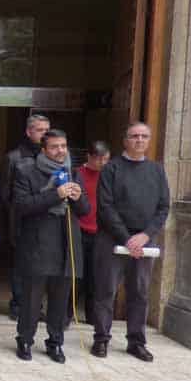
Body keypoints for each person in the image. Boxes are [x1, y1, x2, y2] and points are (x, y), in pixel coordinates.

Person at [91, 122, 170, 362]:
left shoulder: (157, 171)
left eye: (144, 136)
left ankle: (136, 342)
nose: (139, 140)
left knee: (140, 293)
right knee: (106, 291)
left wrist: (145, 235)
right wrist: (126, 238)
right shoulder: (111, 169)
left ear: (149, 140)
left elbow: (163, 207)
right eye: (134, 136)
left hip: (144, 240)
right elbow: (105, 207)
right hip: (112, 238)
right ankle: (101, 339)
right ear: (125, 141)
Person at [12, 129, 89, 363]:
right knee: (32, 298)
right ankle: (25, 339)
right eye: (54, 147)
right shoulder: (27, 171)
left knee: (60, 298)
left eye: (63, 146)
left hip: (66, 243)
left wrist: (77, 198)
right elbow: (22, 205)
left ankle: (55, 342)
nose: (60, 151)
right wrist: (55, 195)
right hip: (38, 243)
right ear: (44, 150)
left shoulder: (73, 172)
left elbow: (85, 210)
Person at [2, 114, 51, 319]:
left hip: (46, 219)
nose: (44, 134)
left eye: (47, 131)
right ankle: (19, 304)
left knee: (41, 263)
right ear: (29, 132)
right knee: (20, 263)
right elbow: (5, 192)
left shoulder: (53, 156)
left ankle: (37, 306)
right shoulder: (14, 158)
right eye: (40, 130)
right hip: (21, 217)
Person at [76, 140, 110, 323]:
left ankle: (92, 316)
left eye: (106, 159)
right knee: (76, 276)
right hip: (80, 229)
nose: (103, 163)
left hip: (101, 231)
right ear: (89, 157)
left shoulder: (109, 176)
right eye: (99, 159)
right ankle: (67, 313)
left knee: (96, 277)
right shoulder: (78, 174)